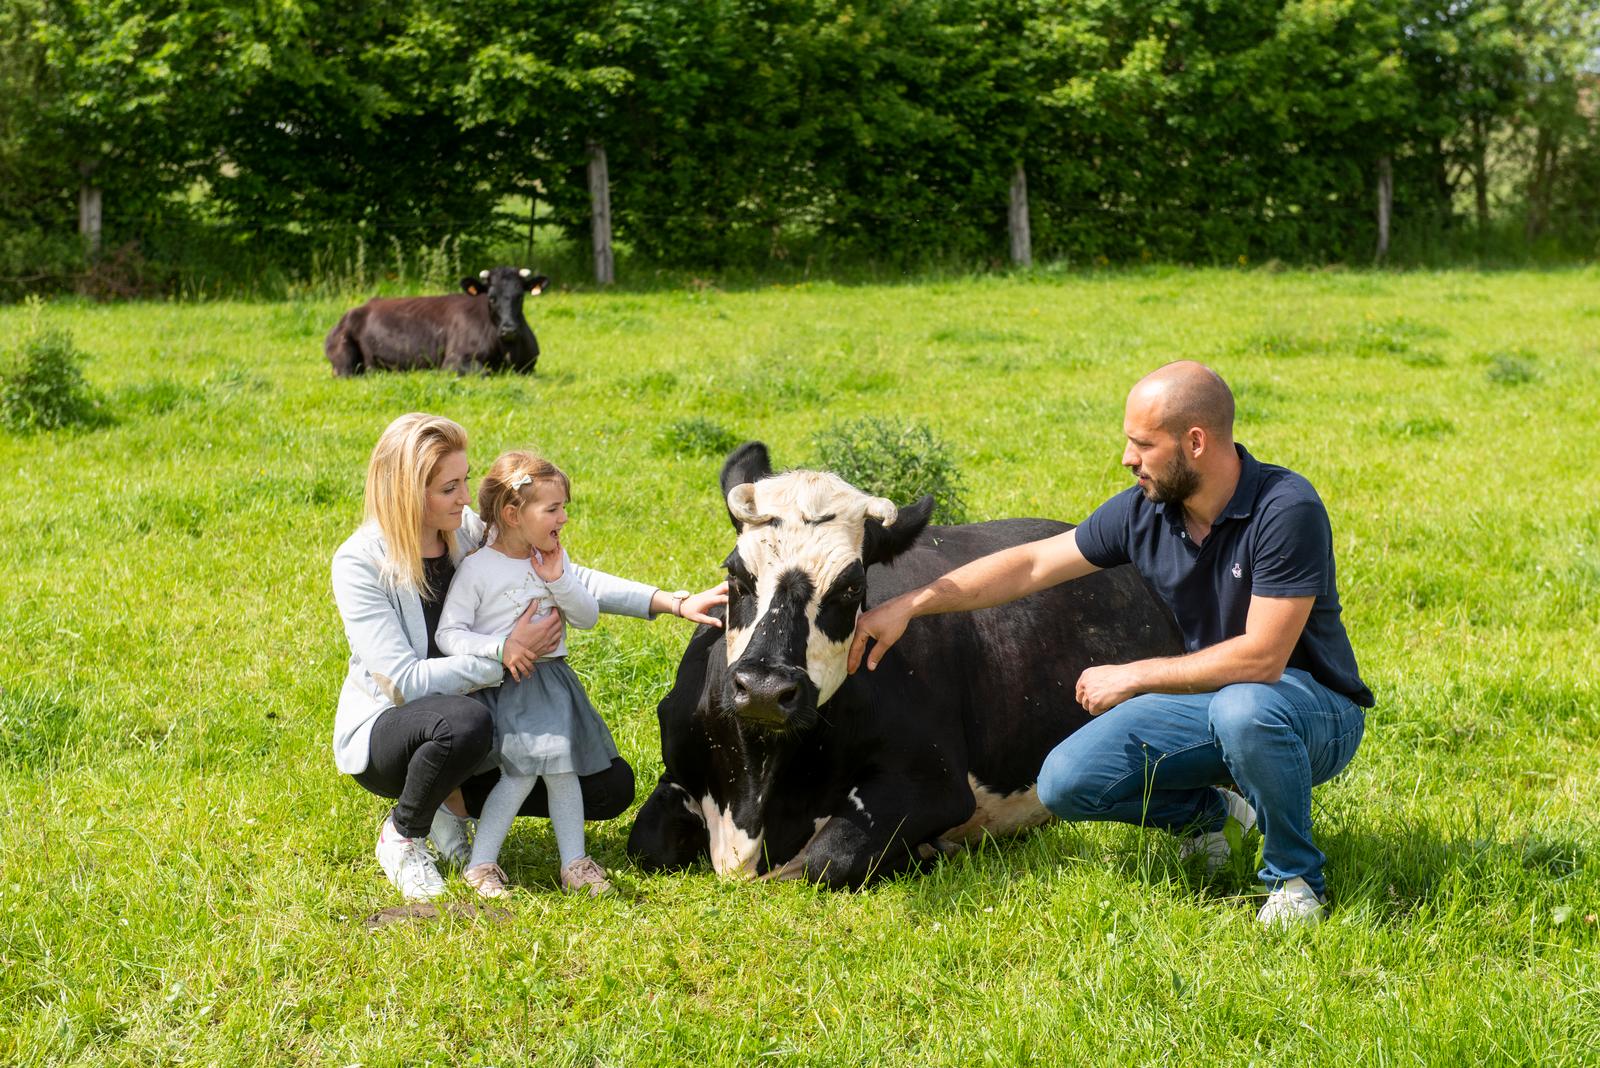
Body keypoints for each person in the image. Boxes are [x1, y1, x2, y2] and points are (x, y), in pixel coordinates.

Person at [848, 361, 1371, 928]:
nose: (1128, 458)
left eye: (1143, 444)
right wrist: (911, 604)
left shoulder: (1284, 509)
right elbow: (1031, 563)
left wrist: (1134, 674)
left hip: (1309, 710)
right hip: (1211, 703)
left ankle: (1295, 882)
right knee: (1064, 781)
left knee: (1244, 709)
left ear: (1195, 442)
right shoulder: (1147, 512)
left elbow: (1263, 658)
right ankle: (1212, 818)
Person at [330, 413, 722, 901]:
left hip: (487, 710)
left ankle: (450, 805)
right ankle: (403, 833)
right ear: (406, 492)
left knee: (610, 786)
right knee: (464, 723)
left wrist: (671, 602)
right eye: (450, 488)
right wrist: (507, 655)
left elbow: (566, 576)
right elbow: (403, 680)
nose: (466, 498)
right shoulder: (359, 562)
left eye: (465, 480)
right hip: (394, 729)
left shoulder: (468, 531)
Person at [436, 450, 725, 898]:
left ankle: (574, 863)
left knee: (564, 773)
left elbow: (587, 616)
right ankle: (481, 864)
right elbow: (449, 634)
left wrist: (559, 580)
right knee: (519, 776)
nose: (564, 518)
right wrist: (501, 647)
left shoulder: (552, 559)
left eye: (563, 507)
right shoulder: (478, 569)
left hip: (552, 684)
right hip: (507, 685)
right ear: (512, 514)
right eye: (553, 509)